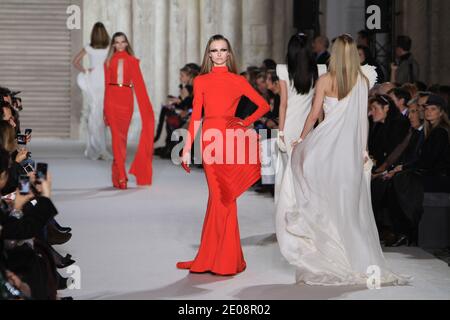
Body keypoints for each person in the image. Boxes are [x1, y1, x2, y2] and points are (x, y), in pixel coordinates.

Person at [278, 34, 408, 286]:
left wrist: (301, 139)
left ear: (335, 54)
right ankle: (348, 258)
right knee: (347, 206)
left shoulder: (326, 79)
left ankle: (326, 256)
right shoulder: (361, 81)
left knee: (322, 201)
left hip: (325, 146)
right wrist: (363, 150)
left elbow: (315, 114)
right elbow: (362, 119)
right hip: (347, 150)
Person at [177, 34, 270, 276]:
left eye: (223, 50)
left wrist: (243, 122)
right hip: (210, 141)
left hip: (228, 140)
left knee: (224, 198)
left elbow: (264, 105)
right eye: (214, 50)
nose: (218, 54)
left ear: (229, 54)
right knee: (219, 197)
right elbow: (196, 115)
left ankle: (223, 259)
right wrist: (187, 149)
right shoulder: (201, 81)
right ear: (209, 55)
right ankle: (217, 256)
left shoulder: (237, 81)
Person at [275, 34, 327, 248]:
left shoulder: (282, 70)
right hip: (309, 128)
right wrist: (322, 128)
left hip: (289, 128)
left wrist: (280, 131)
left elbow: (283, 104)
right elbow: (320, 105)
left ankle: (287, 219)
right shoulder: (320, 71)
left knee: (286, 175)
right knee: (306, 176)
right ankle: (306, 220)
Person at [104, 32, 155, 189]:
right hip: (111, 100)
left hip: (126, 100)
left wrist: (147, 111)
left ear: (127, 44)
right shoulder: (108, 62)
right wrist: (104, 110)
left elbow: (140, 86)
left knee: (122, 140)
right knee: (116, 139)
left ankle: (117, 174)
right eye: (116, 42)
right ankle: (121, 176)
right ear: (113, 45)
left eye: (122, 42)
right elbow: (106, 86)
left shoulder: (133, 61)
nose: (119, 45)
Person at [73, 22, 112, 161]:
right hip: (105, 80)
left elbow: (75, 61)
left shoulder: (89, 47)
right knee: (102, 113)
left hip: (93, 79)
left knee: (94, 112)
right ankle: (101, 148)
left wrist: (85, 70)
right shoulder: (109, 47)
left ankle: (94, 147)